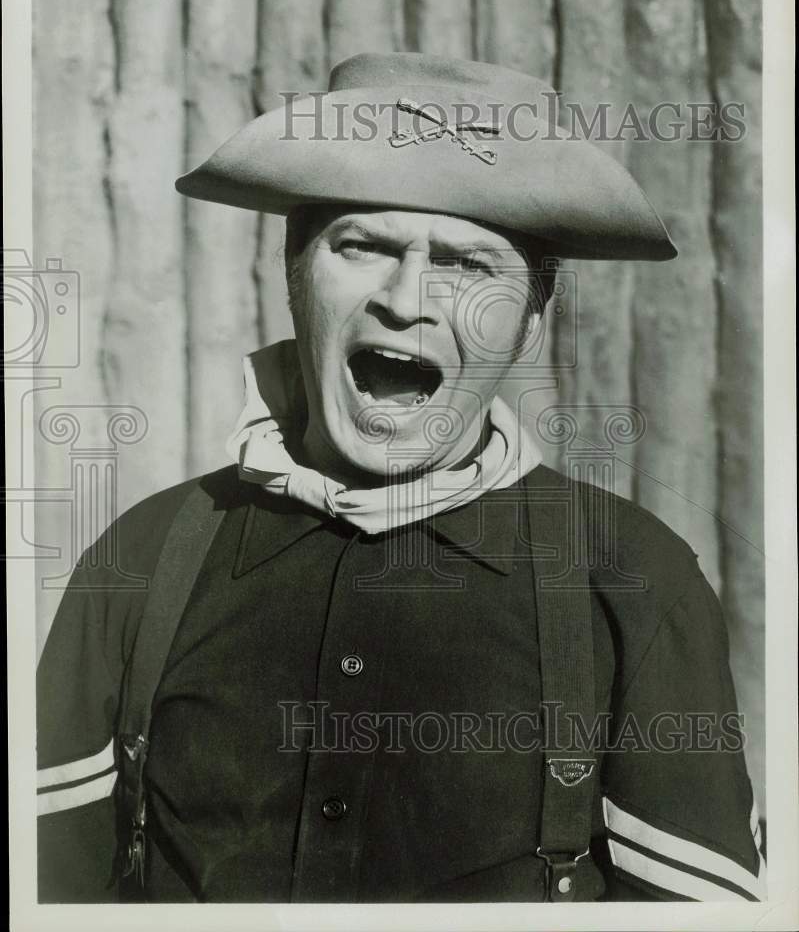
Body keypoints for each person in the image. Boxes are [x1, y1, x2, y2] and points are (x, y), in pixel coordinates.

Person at [36, 52, 765, 904]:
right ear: (294, 276)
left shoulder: (634, 582)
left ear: (529, 326)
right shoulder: (143, 557)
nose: (407, 298)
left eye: (467, 265)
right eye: (364, 246)